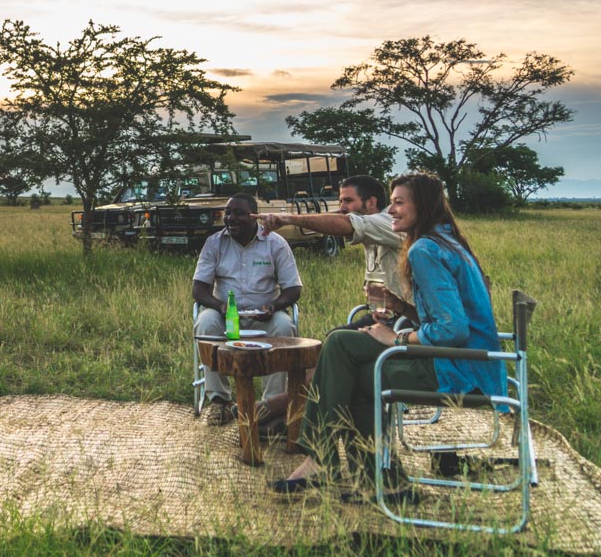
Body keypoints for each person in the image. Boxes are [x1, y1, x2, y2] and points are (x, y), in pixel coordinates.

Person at [270, 172, 505, 499]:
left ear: (422, 206)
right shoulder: (445, 239)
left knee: (345, 353)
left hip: (459, 369)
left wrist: (395, 340)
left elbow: (453, 329)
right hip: (471, 363)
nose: (391, 210)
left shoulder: (424, 249)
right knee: (350, 360)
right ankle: (381, 480)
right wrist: (400, 307)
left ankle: (322, 458)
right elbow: (444, 316)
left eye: (398, 203)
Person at [193, 193, 303, 426]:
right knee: (205, 322)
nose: (230, 218)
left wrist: (274, 306)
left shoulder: (275, 243)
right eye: (228, 213)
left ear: (255, 216)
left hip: (265, 315)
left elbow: (293, 289)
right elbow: (199, 290)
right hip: (226, 316)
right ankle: (219, 401)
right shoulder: (215, 242)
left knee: (284, 325)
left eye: (238, 213)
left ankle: (270, 405)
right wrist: (220, 306)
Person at [259, 175, 417, 326]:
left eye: (348, 200)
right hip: (384, 315)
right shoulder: (374, 230)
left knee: (337, 342)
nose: (342, 207)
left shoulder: (390, 223)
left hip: (407, 319)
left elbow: (346, 222)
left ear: (371, 202)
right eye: (340, 201)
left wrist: (288, 219)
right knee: (334, 338)